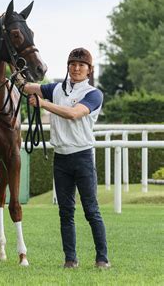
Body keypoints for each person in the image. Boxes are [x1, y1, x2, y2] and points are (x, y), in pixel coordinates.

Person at [20, 47, 110, 269]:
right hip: (61, 158)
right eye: (73, 64)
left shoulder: (93, 94)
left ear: (89, 70)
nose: (76, 68)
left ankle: (102, 258)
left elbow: (73, 114)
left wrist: (43, 104)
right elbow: (28, 88)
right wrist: (18, 73)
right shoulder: (57, 88)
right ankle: (70, 259)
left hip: (82, 157)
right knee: (65, 211)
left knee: (91, 210)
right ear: (68, 67)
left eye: (81, 65)